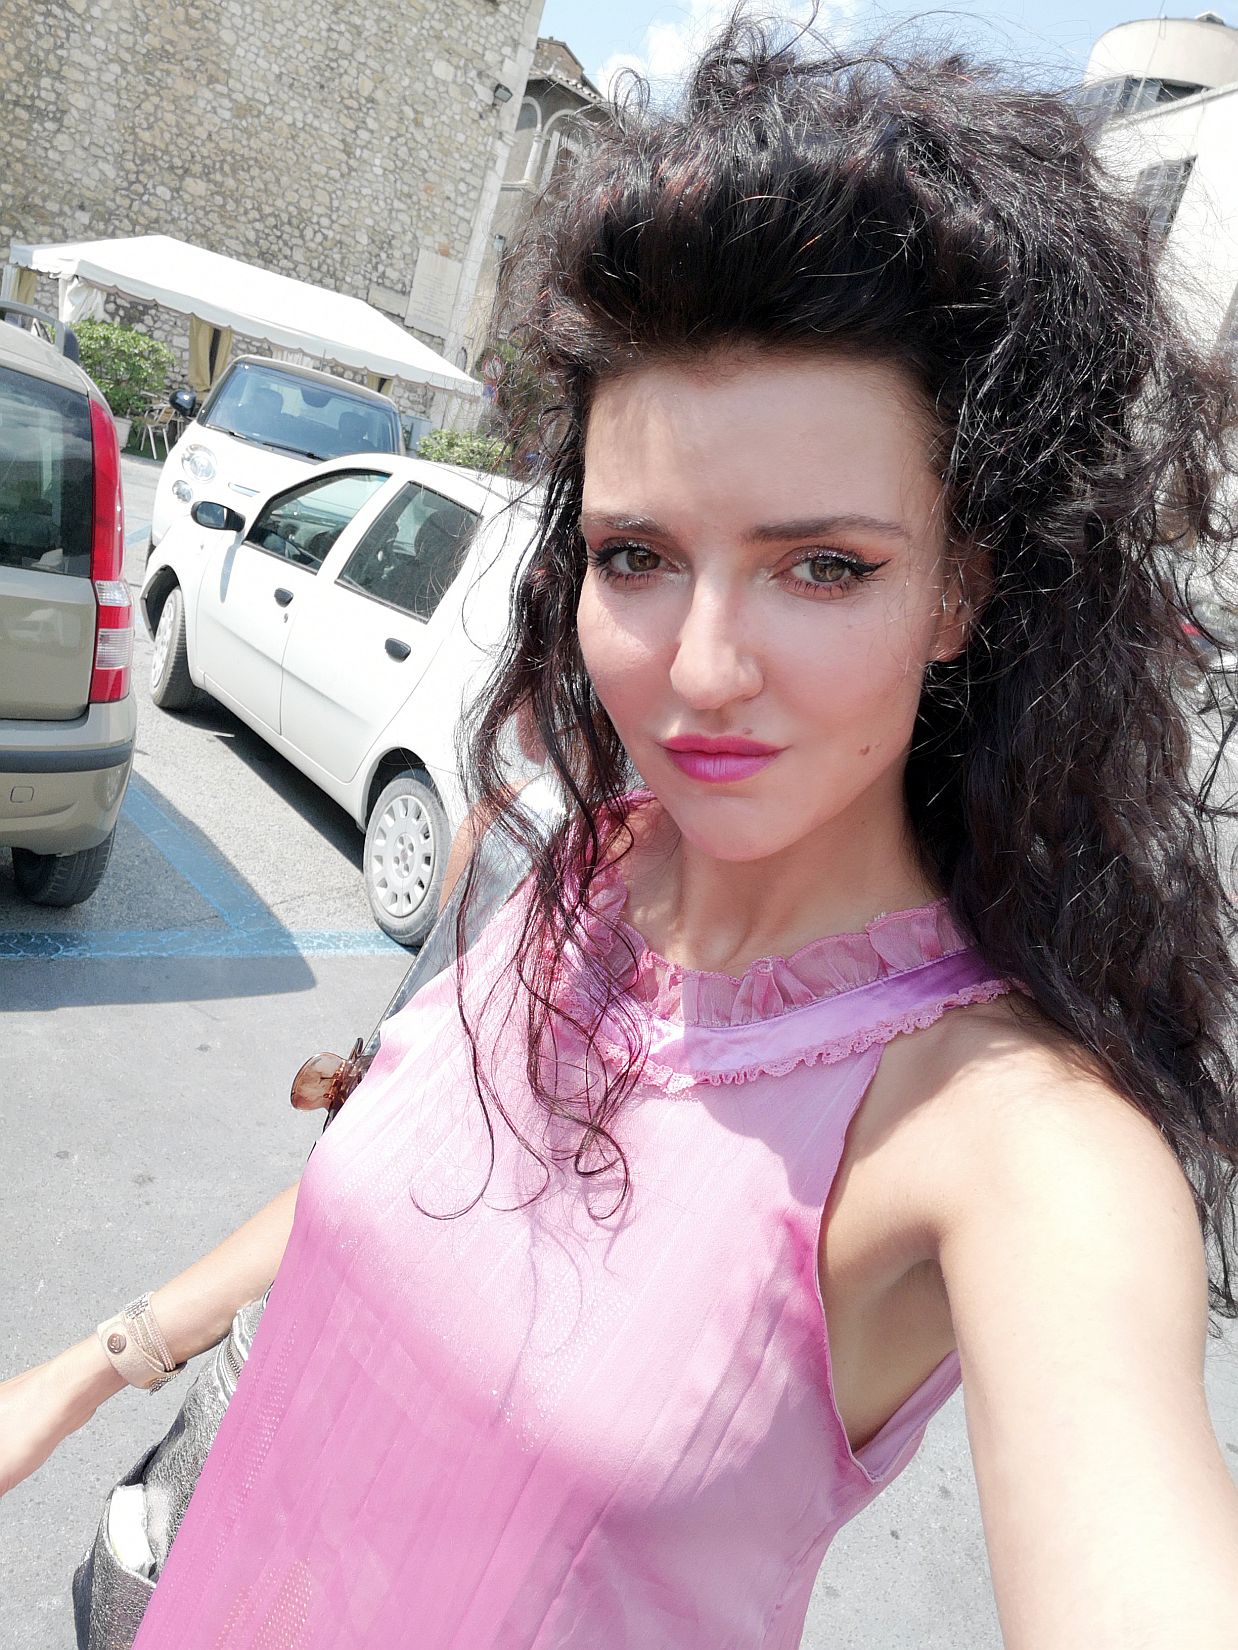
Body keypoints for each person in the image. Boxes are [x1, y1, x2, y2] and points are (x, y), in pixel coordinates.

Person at [7, 15, 1238, 1647]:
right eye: (637, 555)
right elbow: (385, 1194)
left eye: (823, 566)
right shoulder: (566, 871)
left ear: (962, 589)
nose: (702, 667)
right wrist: (94, 1362)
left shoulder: (1004, 1139)